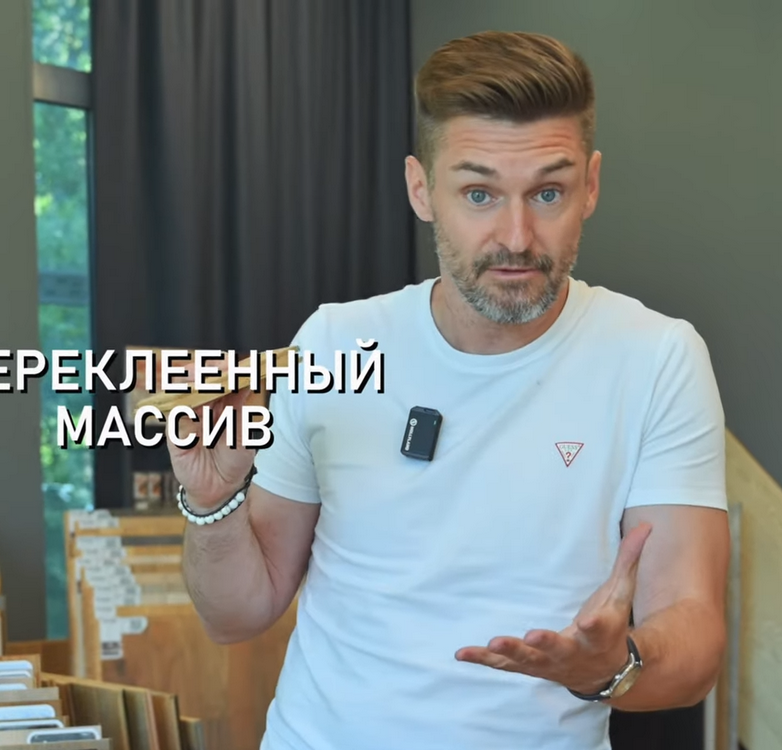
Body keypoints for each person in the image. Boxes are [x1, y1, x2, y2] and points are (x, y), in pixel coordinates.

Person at [167, 30, 730, 750]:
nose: (517, 236)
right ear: (421, 189)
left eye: (548, 192)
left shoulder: (657, 358)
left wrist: (610, 668)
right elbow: (234, 616)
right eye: (479, 193)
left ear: (590, 186)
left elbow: (694, 636)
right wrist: (212, 503)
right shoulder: (335, 343)